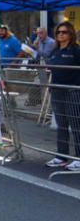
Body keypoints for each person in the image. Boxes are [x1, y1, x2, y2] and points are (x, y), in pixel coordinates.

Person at [44, 21, 80, 170]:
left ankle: (78, 158)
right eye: (59, 32)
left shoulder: (76, 50)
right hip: (57, 91)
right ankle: (61, 156)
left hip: (73, 92)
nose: (61, 34)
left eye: (64, 32)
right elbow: (49, 66)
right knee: (61, 125)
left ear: (70, 34)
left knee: (76, 126)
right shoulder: (55, 51)